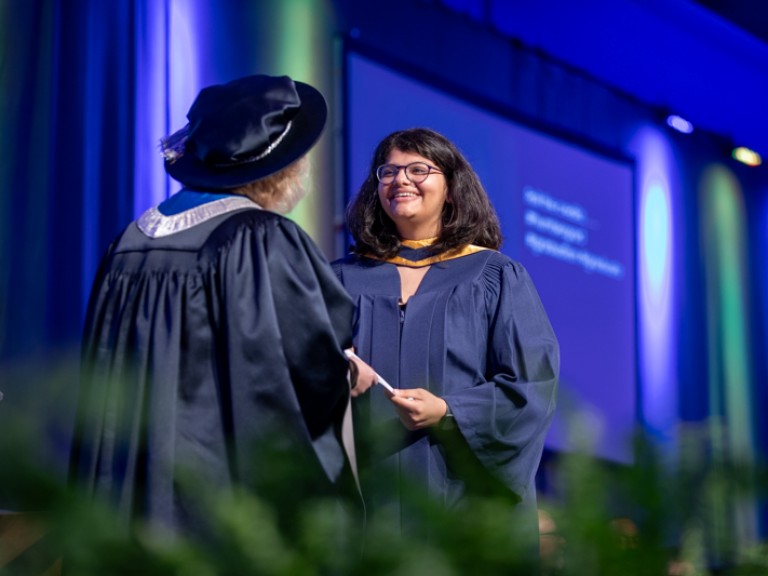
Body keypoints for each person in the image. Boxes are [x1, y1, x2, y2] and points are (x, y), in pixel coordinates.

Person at [68, 74, 376, 539]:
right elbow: (300, 364)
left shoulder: (129, 242)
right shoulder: (259, 238)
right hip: (211, 488)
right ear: (282, 170)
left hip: (125, 482)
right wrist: (347, 372)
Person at [332, 127, 559, 555]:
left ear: (451, 189)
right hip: (365, 494)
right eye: (389, 171)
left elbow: (532, 385)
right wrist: (334, 368)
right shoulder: (341, 277)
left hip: (459, 493)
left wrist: (450, 410)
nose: (400, 180)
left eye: (418, 169)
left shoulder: (493, 276)